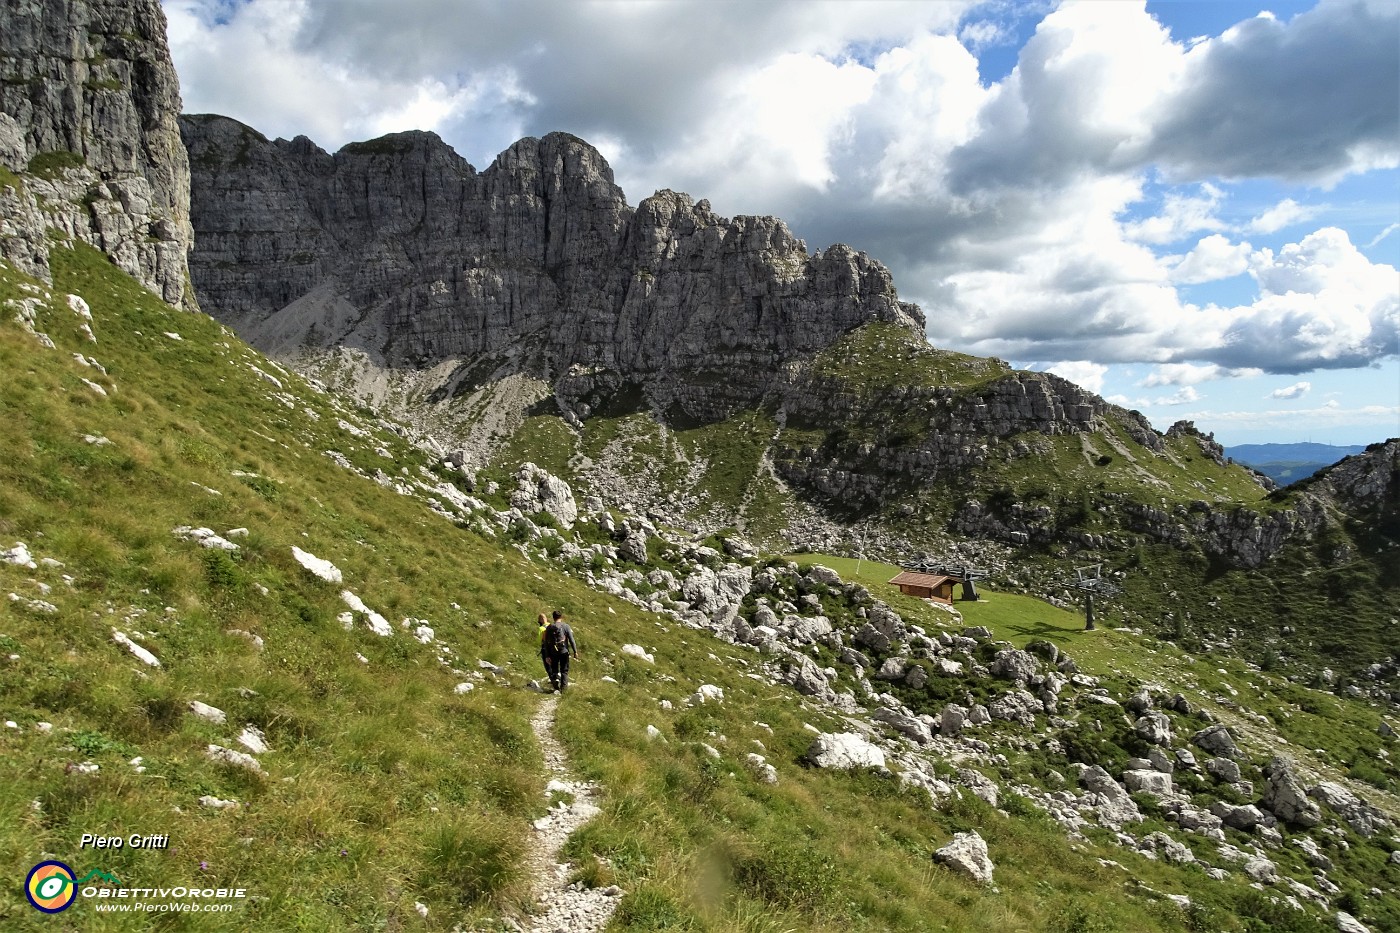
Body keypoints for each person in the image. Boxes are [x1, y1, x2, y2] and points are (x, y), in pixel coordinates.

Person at [541, 609, 578, 693]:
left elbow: (546, 642)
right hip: (564, 652)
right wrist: (575, 651)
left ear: (553, 617)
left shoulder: (549, 627)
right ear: (561, 617)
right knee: (564, 671)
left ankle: (556, 686)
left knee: (554, 669)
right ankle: (564, 691)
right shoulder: (565, 626)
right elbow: (571, 640)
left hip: (553, 652)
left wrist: (547, 655)